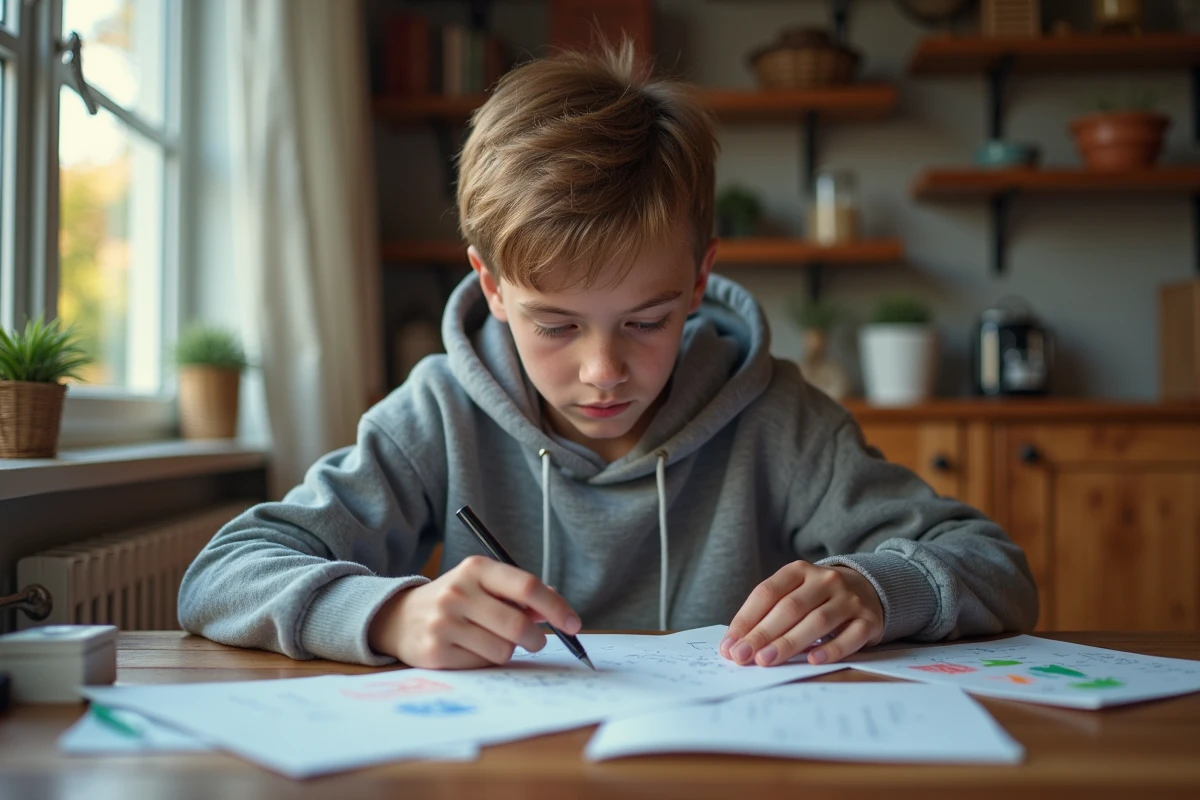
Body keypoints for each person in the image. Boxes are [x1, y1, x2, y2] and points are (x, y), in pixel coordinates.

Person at [178, 42, 1037, 671]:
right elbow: (222, 573)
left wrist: (879, 587)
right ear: (493, 286)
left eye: (646, 321)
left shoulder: (778, 417)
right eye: (555, 325)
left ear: (700, 281)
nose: (602, 371)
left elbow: (994, 566)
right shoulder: (438, 413)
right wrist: (392, 611)